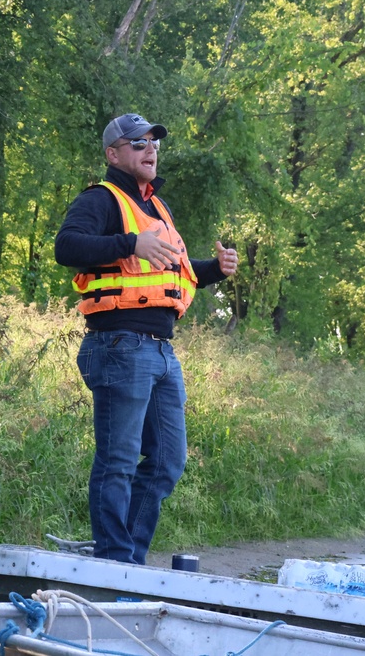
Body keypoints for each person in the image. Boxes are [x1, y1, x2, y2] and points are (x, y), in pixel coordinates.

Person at [54, 113, 238, 565]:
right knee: (117, 460)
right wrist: (127, 243)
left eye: (153, 141)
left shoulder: (159, 208)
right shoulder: (102, 199)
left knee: (166, 463)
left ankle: (127, 559)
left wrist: (216, 269)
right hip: (118, 345)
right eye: (137, 143)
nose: (150, 148)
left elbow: (172, 271)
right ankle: (115, 560)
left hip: (160, 351)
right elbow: (67, 247)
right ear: (113, 154)